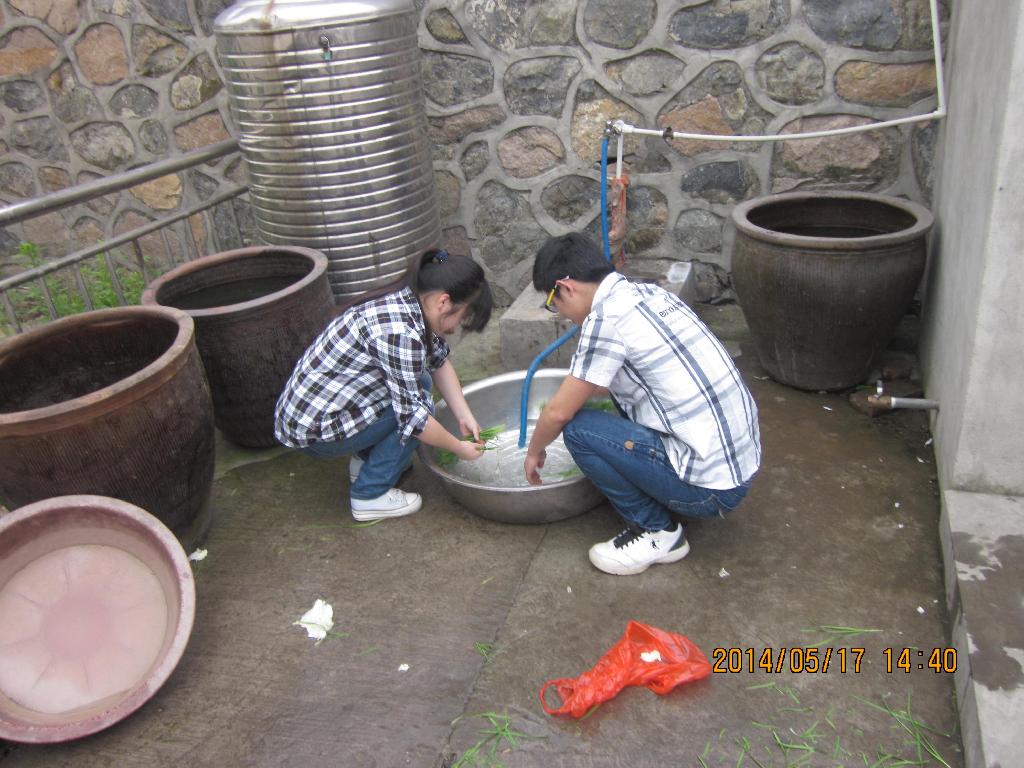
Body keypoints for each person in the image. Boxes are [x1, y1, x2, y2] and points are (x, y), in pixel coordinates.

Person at [524, 233, 761, 575]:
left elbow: (558, 413)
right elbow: (613, 382)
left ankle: (656, 531)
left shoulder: (606, 319)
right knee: (608, 403)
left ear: (565, 287)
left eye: (553, 303)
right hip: (740, 467)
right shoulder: (650, 293)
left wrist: (534, 451)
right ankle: (665, 490)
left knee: (577, 429)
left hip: (710, 492)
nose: (558, 313)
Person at [275, 248, 492, 522]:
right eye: (461, 318)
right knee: (420, 412)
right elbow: (415, 421)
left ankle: (367, 461)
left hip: (319, 412)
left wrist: (464, 415)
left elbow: (439, 362)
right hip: (316, 432)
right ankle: (369, 495)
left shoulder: (409, 301)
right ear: (444, 302)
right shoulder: (400, 334)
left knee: (421, 381)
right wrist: (460, 449)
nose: (455, 328)